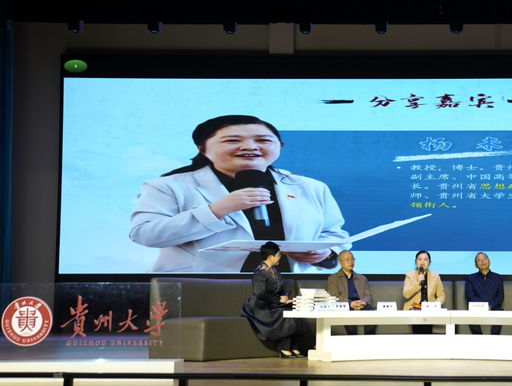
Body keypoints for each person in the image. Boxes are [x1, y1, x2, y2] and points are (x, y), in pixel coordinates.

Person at [130, 115, 350, 273]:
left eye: (263, 140)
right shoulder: (168, 186)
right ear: (202, 148)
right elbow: (145, 234)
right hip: (199, 289)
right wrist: (217, 210)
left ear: (280, 146)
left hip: (289, 291)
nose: (250, 146)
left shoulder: (310, 186)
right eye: (232, 140)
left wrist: (325, 252)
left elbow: (333, 234)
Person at [241, 242, 311, 359]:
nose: (280, 257)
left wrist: (285, 298)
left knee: (296, 313)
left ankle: (294, 347)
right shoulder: (259, 273)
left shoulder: (276, 272)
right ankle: (283, 348)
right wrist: (279, 300)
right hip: (260, 307)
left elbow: (280, 290)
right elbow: (260, 293)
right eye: (278, 255)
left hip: (273, 304)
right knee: (286, 315)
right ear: (270, 257)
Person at [327, 250, 377, 335]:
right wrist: (350, 304)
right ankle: (352, 341)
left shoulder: (362, 278)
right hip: (345, 307)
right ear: (340, 262)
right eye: (347, 259)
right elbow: (333, 296)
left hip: (360, 305)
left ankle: (369, 340)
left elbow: (367, 295)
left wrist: (363, 303)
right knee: (348, 313)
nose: (351, 262)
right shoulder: (333, 278)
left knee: (372, 312)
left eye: (352, 259)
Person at [402, 250, 445, 334]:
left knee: (427, 327)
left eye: (425, 259)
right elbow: (406, 294)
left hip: (430, 309)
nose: (422, 262)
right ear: (415, 262)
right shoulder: (409, 275)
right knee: (418, 325)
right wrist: (417, 282)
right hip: (414, 308)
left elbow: (441, 295)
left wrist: (434, 306)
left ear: (429, 262)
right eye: (419, 259)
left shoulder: (435, 276)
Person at [464, 252, 504, 335]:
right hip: (477, 307)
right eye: (479, 260)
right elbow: (470, 295)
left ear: (489, 262)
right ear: (475, 265)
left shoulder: (498, 278)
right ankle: (479, 337)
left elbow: (500, 296)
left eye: (484, 259)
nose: (482, 261)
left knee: (500, 311)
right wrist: (482, 306)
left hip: (493, 307)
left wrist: (490, 306)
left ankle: (495, 337)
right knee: (470, 312)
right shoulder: (470, 278)